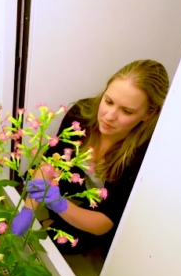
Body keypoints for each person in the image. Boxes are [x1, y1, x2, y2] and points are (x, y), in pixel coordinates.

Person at [11, 60, 170, 256]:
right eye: (108, 101)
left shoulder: (144, 155)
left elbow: (104, 222)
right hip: (80, 185)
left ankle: (59, 220)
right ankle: (57, 218)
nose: (109, 116)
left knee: (69, 242)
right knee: (35, 178)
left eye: (127, 111)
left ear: (149, 114)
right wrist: (28, 212)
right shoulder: (81, 115)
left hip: (104, 205)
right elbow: (51, 163)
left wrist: (61, 205)